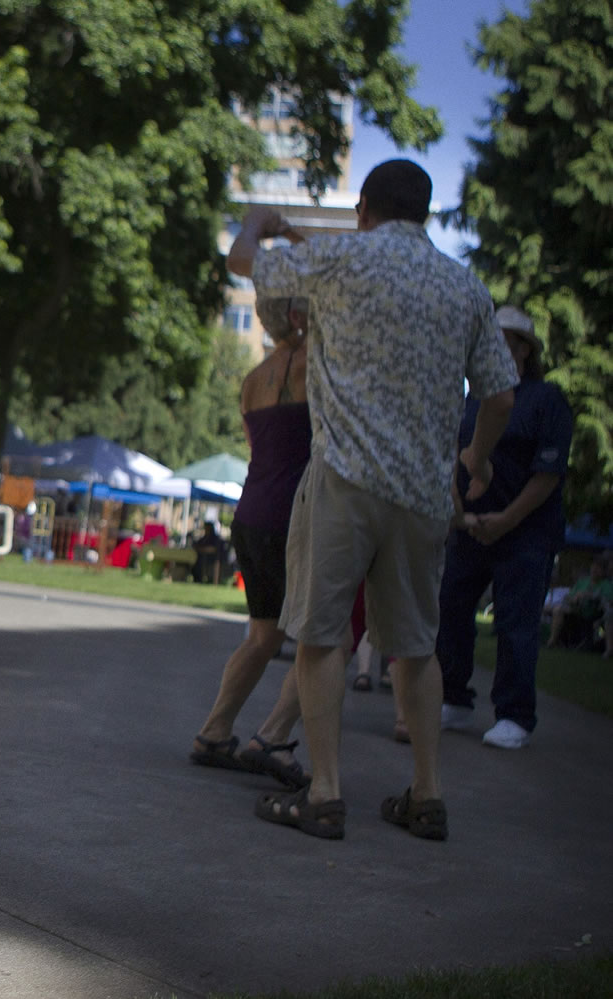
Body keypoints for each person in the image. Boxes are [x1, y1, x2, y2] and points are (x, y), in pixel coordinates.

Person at [227, 158, 519, 841]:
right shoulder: (465, 287)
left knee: (322, 635)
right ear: (423, 213)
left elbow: (246, 261)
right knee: (415, 647)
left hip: (344, 478)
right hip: (423, 492)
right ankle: (427, 793)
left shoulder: (341, 262)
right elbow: (499, 397)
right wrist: (473, 458)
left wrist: (258, 222)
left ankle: (324, 794)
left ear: (363, 209)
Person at [437, 305, 574, 750]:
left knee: (516, 623)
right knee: (452, 610)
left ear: (522, 350)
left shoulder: (546, 400)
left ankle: (515, 713)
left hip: (526, 534)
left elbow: (548, 474)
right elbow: (455, 458)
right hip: (472, 528)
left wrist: (507, 520)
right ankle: (452, 697)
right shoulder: (471, 403)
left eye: (509, 342)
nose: (499, 348)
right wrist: (463, 515)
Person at [189, 297, 311, 791]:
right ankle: (272, 737)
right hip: (292, 518)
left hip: (251, 512)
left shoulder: (251, 380)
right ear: (300, 316)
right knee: (328, 640)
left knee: (263, 635)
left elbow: (258, 445)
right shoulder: (310, 367)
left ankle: (214, 731)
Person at [546, 553, 613, 652]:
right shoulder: (583, 581)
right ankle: (552, 641)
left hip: (594, 615)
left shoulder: (606, 585)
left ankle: (608, 649)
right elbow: (568, 597)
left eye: (598, 567)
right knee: (558, 609)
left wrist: (589, 595)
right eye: (593, 566)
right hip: (577, 611)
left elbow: (608, 601)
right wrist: (575, 598)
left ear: (603, 571)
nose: (594, 569)